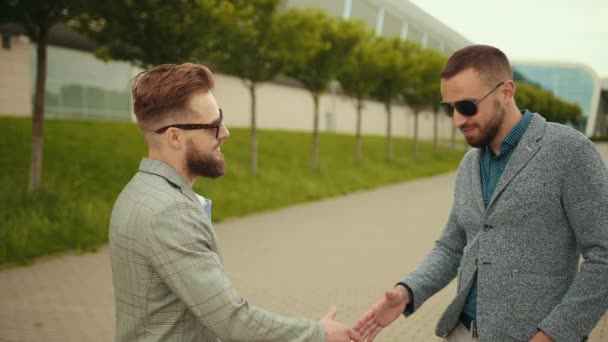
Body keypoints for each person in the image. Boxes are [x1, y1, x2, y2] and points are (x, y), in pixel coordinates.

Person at [354, 45, 608, 341]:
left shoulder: (570, 151)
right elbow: (452, 246)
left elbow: (604, 255)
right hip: (461, 331)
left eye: (467, 106)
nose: (457, 120)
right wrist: (407, 291)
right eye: (449, 108)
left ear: (506, 91)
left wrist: (554, 334)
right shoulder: (469, 164)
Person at [109, 63, 360, 342]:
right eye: (213, 125)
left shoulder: (136, 192)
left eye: (221, 118)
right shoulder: (170, 212)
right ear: (175, 137)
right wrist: (318, 334)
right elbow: (231, 321)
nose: (225, 132)